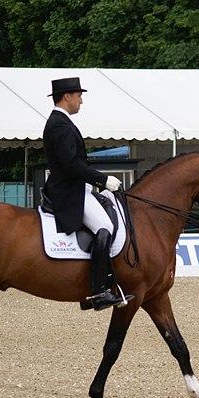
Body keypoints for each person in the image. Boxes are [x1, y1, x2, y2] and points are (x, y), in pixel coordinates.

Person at [43, 77, 132, 311]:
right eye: (78, 95)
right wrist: (102, 179)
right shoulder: (59, 125)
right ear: (67, 96)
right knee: (105, 227)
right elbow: (71, 164)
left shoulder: (62, 123)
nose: (81, 100)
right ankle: (98, 291)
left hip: (76, 187)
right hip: (68, 192)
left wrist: (97, 182)